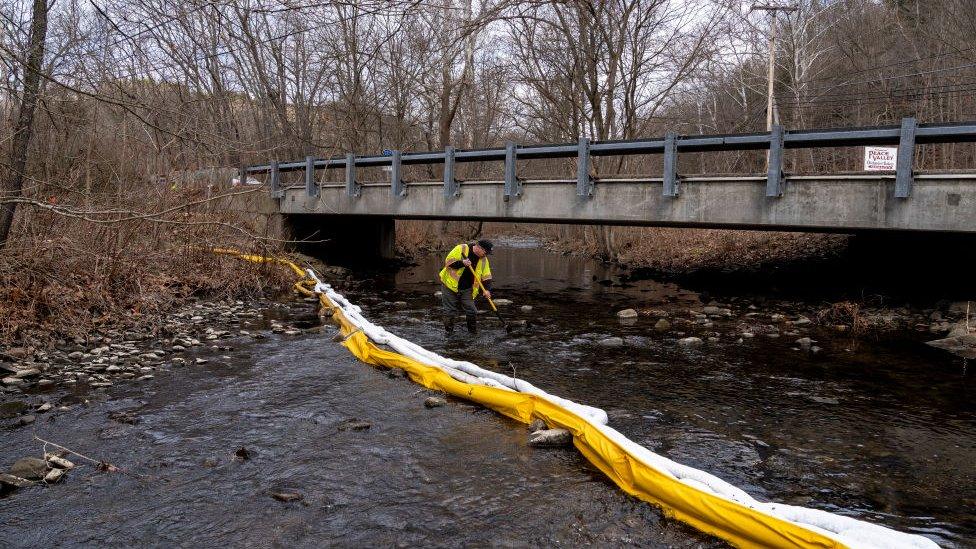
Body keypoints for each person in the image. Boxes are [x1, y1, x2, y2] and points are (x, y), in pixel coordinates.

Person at [439, 239, 494, 334]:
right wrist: (462, 263)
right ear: (479, 247)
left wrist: (487, 290)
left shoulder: (484, 259)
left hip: (467, 289)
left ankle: (472, 334)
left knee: (472, 310)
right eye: (486, 252)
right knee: (450, 311)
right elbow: (448, 263)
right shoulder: (461, 249)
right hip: (450, 286)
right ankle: (449, 333)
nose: (486, 255)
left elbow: (486, 276)